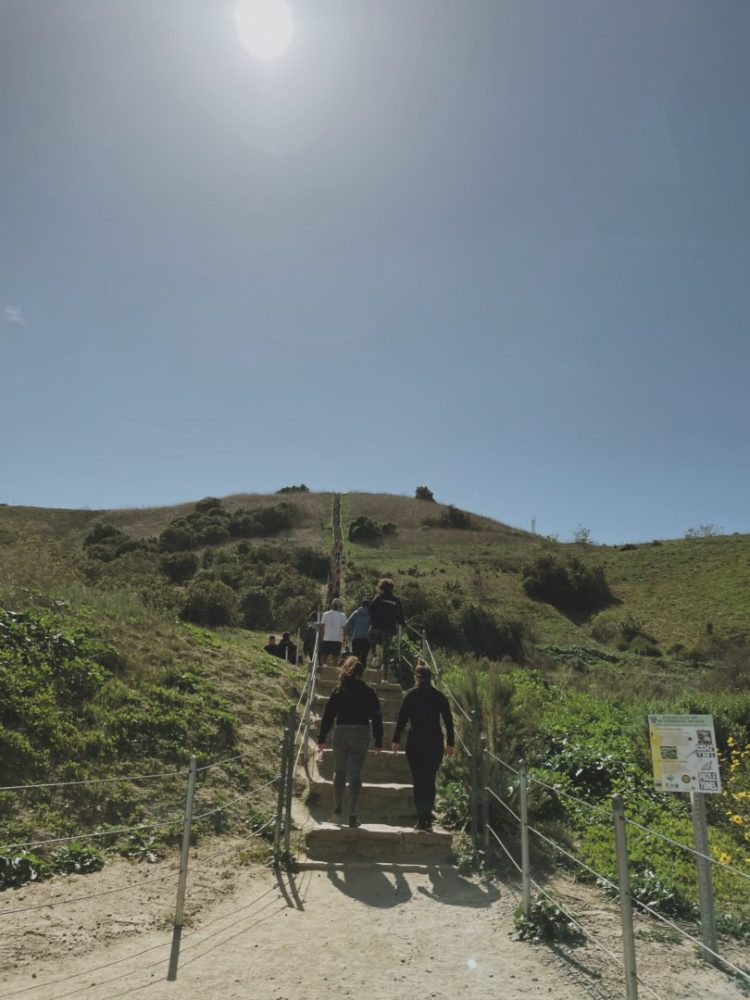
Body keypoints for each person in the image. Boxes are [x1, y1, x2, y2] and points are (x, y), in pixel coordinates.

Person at [317, 657, 383, 827]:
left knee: (339, 771)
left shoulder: (339, 689)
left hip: (341, 732)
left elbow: (329, 714)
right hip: (361, 733)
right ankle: (353, 815)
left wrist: (322, 737)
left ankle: (337, 812)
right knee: (355, 774)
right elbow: (376, 716)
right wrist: (379, 739)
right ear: (362, 673)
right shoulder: (369, 691)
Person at [392, 659, 454, 831]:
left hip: (415, 742)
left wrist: (395, 740)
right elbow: (448, 722)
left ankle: (421, 820)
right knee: (430, 780)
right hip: (435, 743)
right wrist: (450, 744)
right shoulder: (440, 696)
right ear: (430, 678)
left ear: (417, 678)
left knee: (418, 781)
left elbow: (402, 719)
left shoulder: (410, 695)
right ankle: (428, 819)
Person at [368, 577, 405, 680]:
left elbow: (370, 609)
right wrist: (402, 623)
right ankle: (384, 676)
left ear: (381, 587)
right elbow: (400, 616)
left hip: (377, 628)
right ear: (391, 588)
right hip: (389, 630)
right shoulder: (396, 600)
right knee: (386, 651)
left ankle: (374, 654)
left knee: (370, 637)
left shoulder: (378, 598)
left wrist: (374, 622)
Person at [319, 598, 347, 665]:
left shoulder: (326, 614)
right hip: (337, 640)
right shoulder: (342, 616)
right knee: (335, 658)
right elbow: (345, 629)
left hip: (327, 639)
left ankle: (324, 670)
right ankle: (334, 672)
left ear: (331, 605)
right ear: (339, 606)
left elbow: (321, 627)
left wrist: (322, 638)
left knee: (324, 657)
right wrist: (344, 639)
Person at [345, 599, 372, 668]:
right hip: (366, 639)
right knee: (363, 659)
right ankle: (362, 675)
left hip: (356, 638)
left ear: (361, 605)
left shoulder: (356, 613)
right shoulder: (371, 614)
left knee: (355, 659)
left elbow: (347, 625)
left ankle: (354, 674)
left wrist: (351, 634)